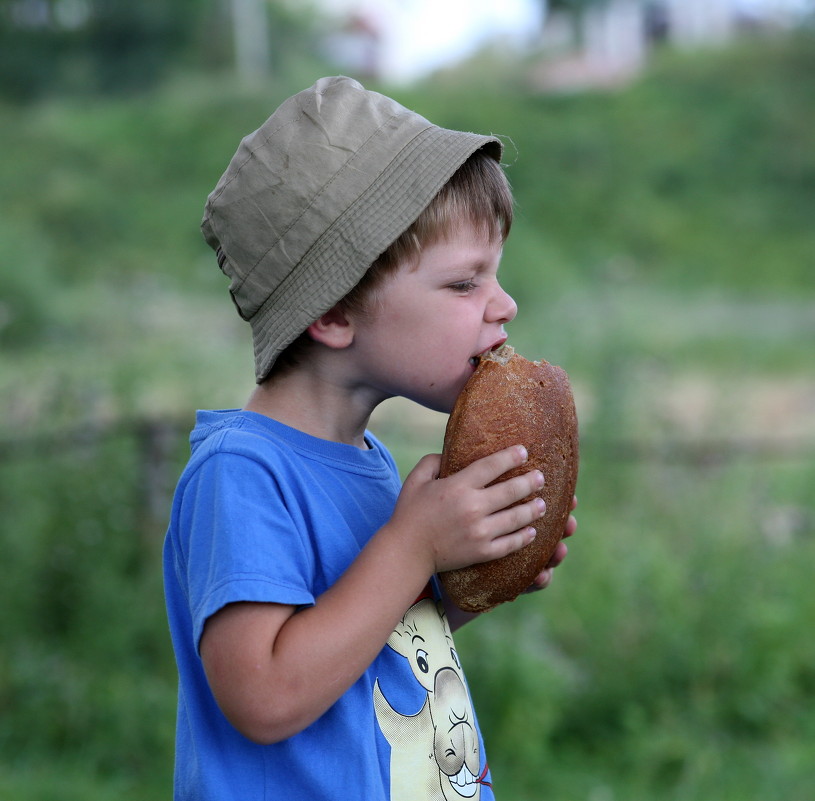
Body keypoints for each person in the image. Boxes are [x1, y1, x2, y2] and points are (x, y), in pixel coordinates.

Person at [163, 75, 577, 801]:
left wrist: (465, 585)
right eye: (463, 284)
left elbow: (362, 643)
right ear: (332, 313)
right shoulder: (241, 473)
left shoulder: (369, 462)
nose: (503, 304)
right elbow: (266, 696)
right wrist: (414, 546)